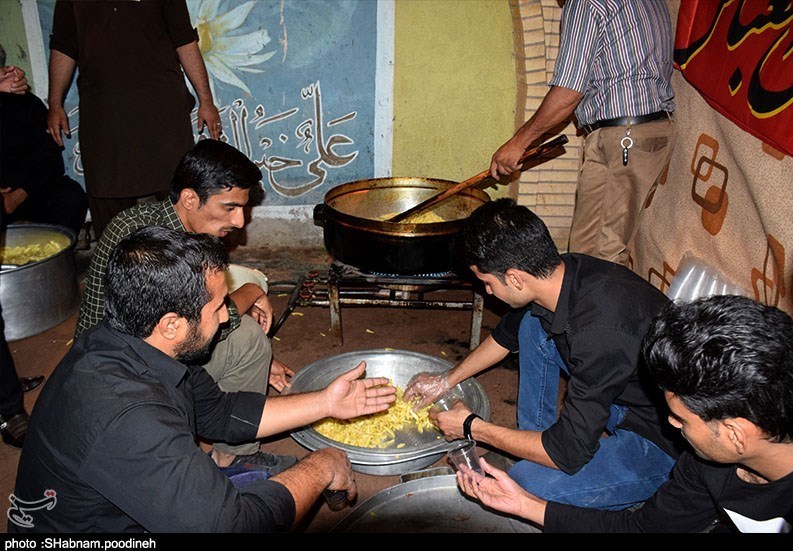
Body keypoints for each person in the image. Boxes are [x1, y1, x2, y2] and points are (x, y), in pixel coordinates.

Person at [9, 226, 396, 532]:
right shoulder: (130, 417)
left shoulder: (132, 341)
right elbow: (235, 527)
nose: (227, 316)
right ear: (171, 324)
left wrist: (327, 402)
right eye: (217, 307)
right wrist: (321, 466)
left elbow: (219, 413)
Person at [405, 198, 681, 510]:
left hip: (662, 436)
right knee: (531, 326)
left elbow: (568, 453)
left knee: (525, 485)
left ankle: (644, 486)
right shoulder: (562, 272)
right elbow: (505, 337)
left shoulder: (599, 331)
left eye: (487, 283)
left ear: (514, 278)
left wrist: (471, 426)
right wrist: (446, 380)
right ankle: (532, 443)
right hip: (622, 392)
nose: (488, 292)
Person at [457, 295, 793, 533]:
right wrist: (524, 504)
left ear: (736, 434)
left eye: (681, 419)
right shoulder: (706, 463)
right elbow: (643, 528)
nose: (669, 423)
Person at [76, 139, 295, 475]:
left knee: (247, 341)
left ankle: (230, 457)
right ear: (190, 198)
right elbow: (195, 329)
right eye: (229, 207)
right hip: (122, 379)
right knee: (244, 334)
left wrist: (261, 360)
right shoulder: (148, 241)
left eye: (243, 208)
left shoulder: (181, 229)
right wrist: (251, 291)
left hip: (146, 351)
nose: (239, 221)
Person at [489, 0, 675, 266]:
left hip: (624, 136)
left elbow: (568, 92)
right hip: (647, 131)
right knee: (593, 250)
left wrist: (519, 143)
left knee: (597, 256)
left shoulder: (585, 3)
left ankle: (592, 295)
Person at [47, 0, 222, 240]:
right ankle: (113, 260)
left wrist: (206, 101)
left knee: (177, 190)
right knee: (107, 194)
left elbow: (184, 41)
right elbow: (63, 47)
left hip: (162, 107)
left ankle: (187, 258)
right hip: (102, 110)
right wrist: (54, 104)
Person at [1, 44, 88, 236]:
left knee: (70, 196)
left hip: (27, 193)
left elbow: (50, 159)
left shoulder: (25, 103)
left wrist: (19, 194)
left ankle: (51, 248)